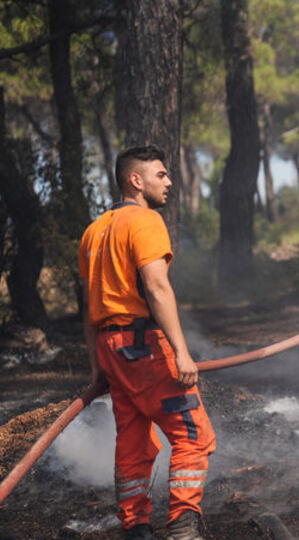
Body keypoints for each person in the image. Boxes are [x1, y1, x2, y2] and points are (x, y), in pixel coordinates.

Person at [79, 145, 215, 540]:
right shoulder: (146, 221)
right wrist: (182, 353)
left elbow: (89, 306)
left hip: (112, 350)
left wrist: (95, 367)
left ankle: (135, 528)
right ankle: (183, 527)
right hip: (145, 349)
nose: (169, 182)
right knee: (193, 435)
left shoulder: (93, 231)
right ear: (135, 181)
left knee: (134, 440)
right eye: (160, 175)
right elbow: (157, 288)